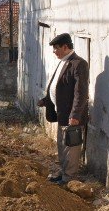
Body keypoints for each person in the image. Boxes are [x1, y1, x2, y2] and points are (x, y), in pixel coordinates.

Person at [37, 33, 89, 184]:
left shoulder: (79, 64)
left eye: (56, 48)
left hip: (72, 116)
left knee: (71, 147)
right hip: (62, 113)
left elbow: (81, 92)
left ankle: (69, 178)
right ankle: (64, 173)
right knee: (62, 145)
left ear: (65, 47)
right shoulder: (64, 62)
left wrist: (75, 115)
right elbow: (58, 86)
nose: (54, 51)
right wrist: (46, 100)